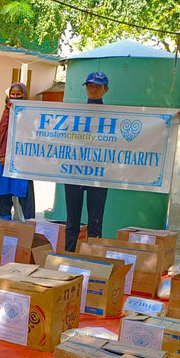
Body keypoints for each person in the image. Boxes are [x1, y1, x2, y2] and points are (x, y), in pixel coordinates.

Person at [65, 71, 110, 251]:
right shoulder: (74, 114)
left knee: (95, 223)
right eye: (90, 85)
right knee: (72, 223)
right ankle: (67, 256)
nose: (93, 89)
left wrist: (172, 120)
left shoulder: (113, 116)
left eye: (97, 86)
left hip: (99, 174)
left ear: (105, 90)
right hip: (74, 172)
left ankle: (93, 261)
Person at [0, 82, 35, 221]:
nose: (15, 98)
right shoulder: (6, 112)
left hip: (22, 162)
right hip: (3, 161)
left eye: (18, 95)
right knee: (4, 195)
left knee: (24, 195)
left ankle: (27, 230)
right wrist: (1, 155)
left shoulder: (30, 114)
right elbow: (1, 136)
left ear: (24, 96)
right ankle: (5, 227)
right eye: (13, 95)